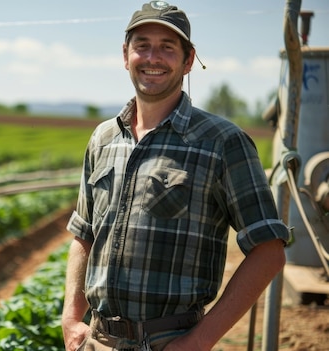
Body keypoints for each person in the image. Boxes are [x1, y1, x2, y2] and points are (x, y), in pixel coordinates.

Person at [61, 2, 290, 351]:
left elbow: (269, 250)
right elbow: (84, 232)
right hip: (98, 339)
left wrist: (200, 340)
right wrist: (71, 318)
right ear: (126, 55)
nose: (153, 57)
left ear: (187, 61)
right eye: (142, 45)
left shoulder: (222, 142)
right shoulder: (103, 138)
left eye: (167, 47)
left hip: (170, 341)